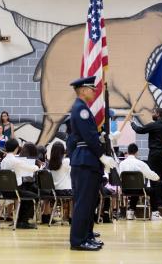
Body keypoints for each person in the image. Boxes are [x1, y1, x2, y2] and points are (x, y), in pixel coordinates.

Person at [68, 76, 116, 251]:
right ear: (82, 90)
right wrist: (102, 154)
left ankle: (86, 236)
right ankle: (78, 240)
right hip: (85, 160)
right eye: (91, 88)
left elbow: (90, 135)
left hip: (88, 160)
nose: (94, 91)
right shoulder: (81, 110)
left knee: (89, 203)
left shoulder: (82, 108)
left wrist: (104, 139)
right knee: (83, 203)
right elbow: (88, 137)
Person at [131, 108, 162, 208]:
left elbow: (140, 130)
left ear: (157, 114)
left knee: (153, 176)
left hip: (155, 153)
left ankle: (155, 202)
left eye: (153, 113)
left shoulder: (154, 125)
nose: (152, 114)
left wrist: (132, 123)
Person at [1, 138, 39, 229]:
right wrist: (38, 166)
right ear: (17, 148)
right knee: (34, 196)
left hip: (4, 190)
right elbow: (31, 168)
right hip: (14, 190)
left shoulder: (3, 161)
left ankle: (20, 220)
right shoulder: (15, 161)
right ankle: (22, 221)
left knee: (26, 194)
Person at [119, 143, 160, 220]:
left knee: (135, 189)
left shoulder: (121, 164)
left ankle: (130, 213)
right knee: (152, 191)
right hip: (139, 189)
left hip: (125, 189)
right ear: (136, 152)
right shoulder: (140, 163)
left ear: (127, 152)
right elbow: (150, 174)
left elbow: (119, 176)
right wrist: (157, 178)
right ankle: (155, 214)